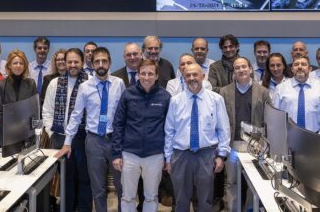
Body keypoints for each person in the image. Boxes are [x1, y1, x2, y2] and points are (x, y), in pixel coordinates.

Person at [57, 46, 126, 212]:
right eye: (97, 61)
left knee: (122, 186)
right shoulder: (85, 87)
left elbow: (125, 113)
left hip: (116, 141)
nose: (101, 64)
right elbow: (76, 115)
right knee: (98, 188)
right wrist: (67, 142)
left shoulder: (119, 84)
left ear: (110, 63)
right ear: (92, 64)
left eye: (104, 61)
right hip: (94, 141)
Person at [164, 63, 230, 212]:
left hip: (207, 155)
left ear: (203, 76)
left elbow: (223, 129)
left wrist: (221, 155)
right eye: (188, 75)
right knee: (181, 200)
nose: (192, 78)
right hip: (180, 156)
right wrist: (168, 159)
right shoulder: (175, 101)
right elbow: (169, 131)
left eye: (195, 74)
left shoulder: (216, 99)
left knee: (205, 200)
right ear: (183, 78)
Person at [112, 59, 171, 212]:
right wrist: (116, 154)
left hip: (155, 155)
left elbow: (170, 128)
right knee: (127, 197)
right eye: (143, 73)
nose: (146, 77)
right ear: (138, 75)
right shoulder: (128, 94)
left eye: (150, 73)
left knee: (151, 197)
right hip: (129, 154)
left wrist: (167, 156)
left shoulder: (165, 97)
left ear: (157, 76)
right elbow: (118, 125)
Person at [42, 48, 91, 212]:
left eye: (76, 61)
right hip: (60, 137)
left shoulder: (90, 82)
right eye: (69, 61)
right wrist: (51, 132)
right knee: (66, 178)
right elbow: (47, 111)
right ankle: (68, 208)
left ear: (82, 62)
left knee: (84, 178)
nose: (72, 65)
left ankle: (83, 208)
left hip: (83, 138)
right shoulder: (55, 83)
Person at [220, 57, 271, 212]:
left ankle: (250, 209)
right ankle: (233, 209)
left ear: (250, 69)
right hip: (233, 145)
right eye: (237, 68)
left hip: (255, 146)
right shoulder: (224, 92)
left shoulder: (262, 92)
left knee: (254, 184)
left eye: (244, 67)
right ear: (233, 72)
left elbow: (269, 120)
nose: (241, 70)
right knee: (232, 183)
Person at [274, 56, 320, 136]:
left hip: (316, 137)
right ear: (292, 69)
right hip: (288, 137)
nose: (300, 67)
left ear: (310, 69)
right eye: (296, 64)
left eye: (303, 64)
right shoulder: (280, 89)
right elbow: (275, 116)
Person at [0, 50, 38, 143]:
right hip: (6, 133)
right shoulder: (0, 85)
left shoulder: (31, 83)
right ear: (9, 65)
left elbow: (35, 109)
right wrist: (12, 128)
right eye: (15, 63)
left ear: (25, 65)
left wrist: (26, 127)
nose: (18, 66)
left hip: (27, 132)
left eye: (21, 63)